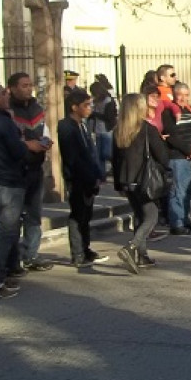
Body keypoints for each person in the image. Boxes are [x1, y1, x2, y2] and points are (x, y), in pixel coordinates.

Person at [0, 82, 51, 297]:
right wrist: (30, 145)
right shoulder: (2, 121)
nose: (6, 96)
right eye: (2, 93)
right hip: (6, 181)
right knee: (5, 232)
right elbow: (17, 151)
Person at [112, 93, 170, 274]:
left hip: (127, 180)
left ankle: (141, 255)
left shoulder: (118, 130)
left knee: (139, 215)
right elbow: (163, 156)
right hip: (144, 179)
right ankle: (132, 247)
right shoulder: (146, 129)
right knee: (151, 216)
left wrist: (118, 184)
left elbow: (114, 160)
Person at [8, 72, 57, 271]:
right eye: (24, 85)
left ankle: (31, 254)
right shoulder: (8, 110)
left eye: (30, 85)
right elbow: (9, 140)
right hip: (15, 170)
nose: (28, 88)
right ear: (12, 88)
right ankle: (12, 258)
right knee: (12, 217)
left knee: (34, 215)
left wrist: (45, 142)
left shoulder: (36, 108)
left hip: (35, 168)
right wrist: (29, 145)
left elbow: (43, 130)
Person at [57, 88, 104, 267]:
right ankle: (78, 253)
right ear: (74, 107)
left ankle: (86, 248)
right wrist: (87, 176)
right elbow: (73, 157)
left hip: (89, 177)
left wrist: (98, 174)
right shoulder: (66, 126)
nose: (89, 108)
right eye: (86, 105)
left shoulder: (83, 125)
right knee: (78, 215)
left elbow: (91, 153)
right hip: (77, 178)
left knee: (86, 215)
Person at [163, 82, 191, 235]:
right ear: (174, 95)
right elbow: (171, 136)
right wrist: (188, 150)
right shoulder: (169, 112)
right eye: (180, 95)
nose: (183, 98)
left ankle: (185, 218)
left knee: (187, 190)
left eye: (186, 95)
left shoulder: (186, 110)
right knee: (178, 191)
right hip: (177, 156)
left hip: (188, 156)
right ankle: (177, 222)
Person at [88, 79, 117, 179]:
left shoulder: (108, 101)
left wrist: (95, 114)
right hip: (97, 129)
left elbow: (109, 117)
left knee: (107, 153)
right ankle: (101, 174)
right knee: (99, 154)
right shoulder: (95, 101)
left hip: (107, 130)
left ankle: (114, 169)